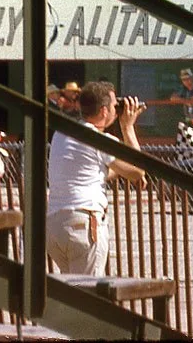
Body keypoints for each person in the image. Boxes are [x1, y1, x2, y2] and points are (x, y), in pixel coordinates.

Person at [46, 80, 147, 275]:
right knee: (87, 291)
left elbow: (89, 172)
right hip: (83, 224)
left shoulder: (62, 132)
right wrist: (127, 127)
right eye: (114, 106)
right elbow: (139, 170)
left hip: (55, 225)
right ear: (103, 111)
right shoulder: (100, 140)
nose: (117, 111)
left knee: (71, 290)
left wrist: (124, 171)